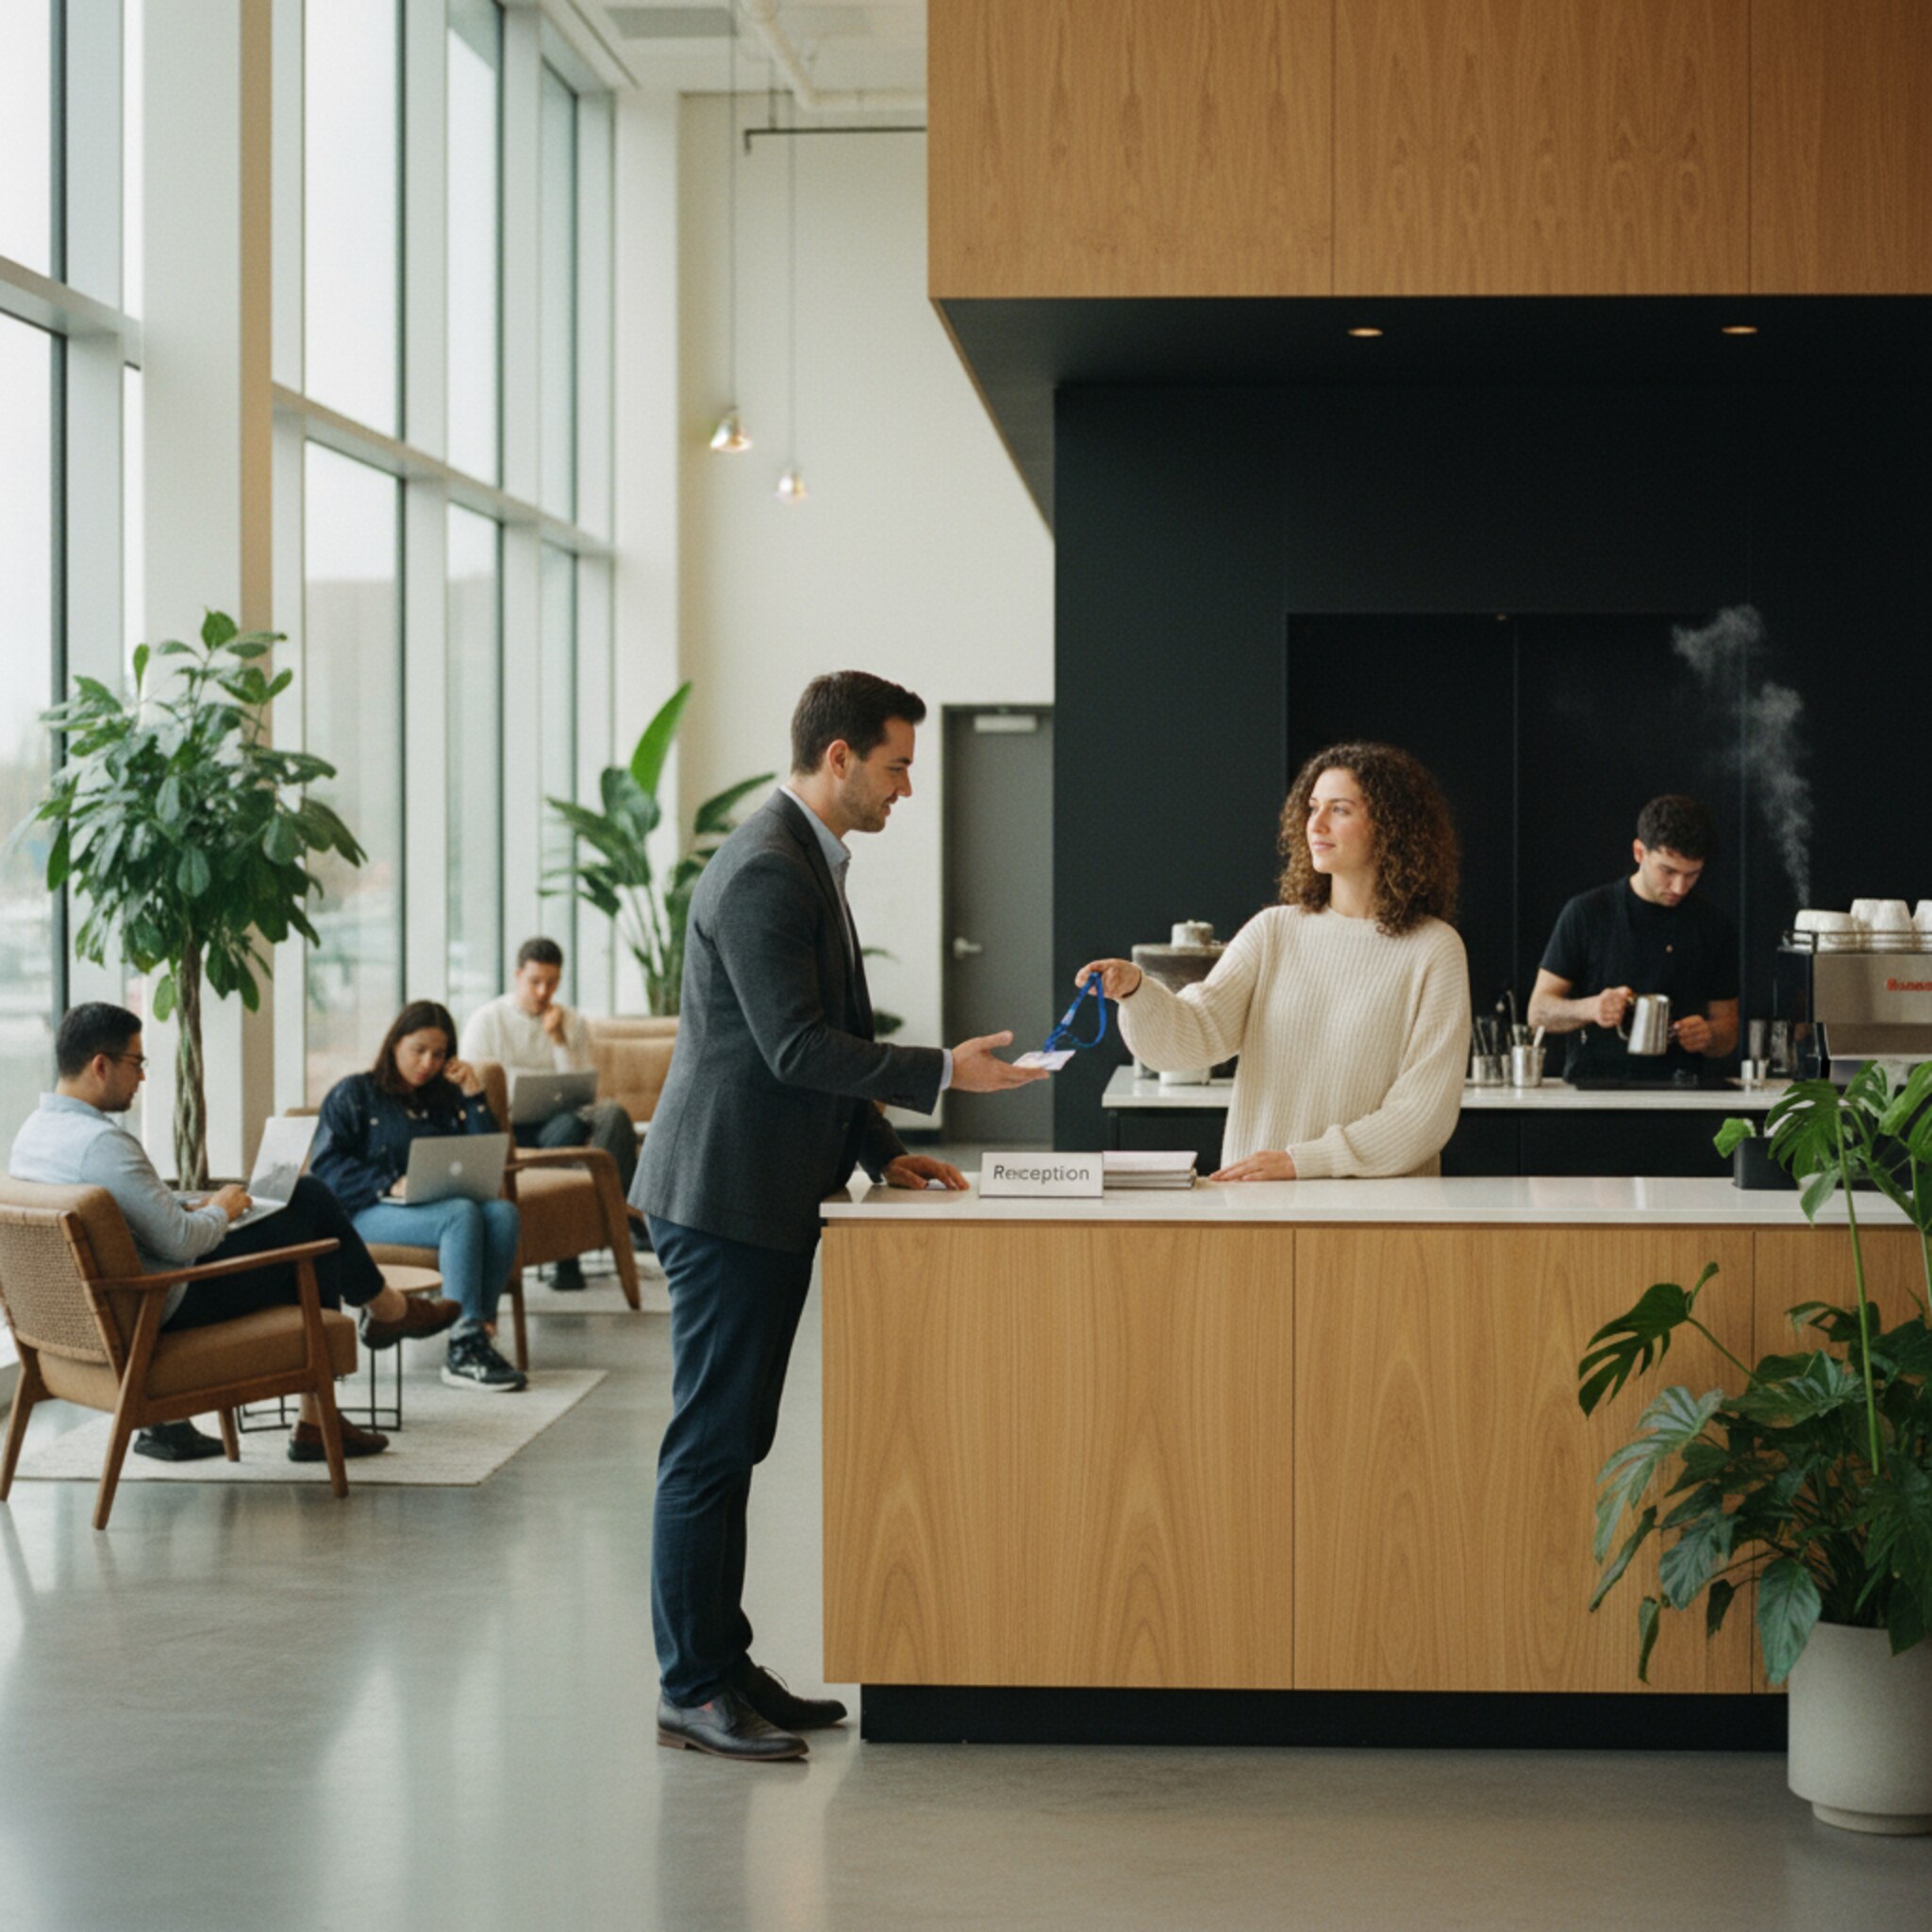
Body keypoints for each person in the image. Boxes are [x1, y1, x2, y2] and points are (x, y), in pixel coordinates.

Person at [634, 670, 1048, 1763]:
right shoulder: (768, 869)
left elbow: (818, 1031)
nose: (907, 786)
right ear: (837, 758)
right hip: (723, 1195)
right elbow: (791, 1049)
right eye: (897, 763)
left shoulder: (802, 856)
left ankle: (721, 1661)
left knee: (735, 1438)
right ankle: (690, 1683)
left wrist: (881, 1146)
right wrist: (939, 1072)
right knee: (711, 1444)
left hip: (756, 1190)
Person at [8, 1003, 458, 1463]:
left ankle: (341, 1383)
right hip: (161, 1304)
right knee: (313, 1217)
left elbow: (120, 1214)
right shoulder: (104, 1144)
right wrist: (221, 1211)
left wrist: (187, 1203)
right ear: (99, 1065)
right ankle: (353, 1364)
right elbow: (183, 1243)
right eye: (137, 1063)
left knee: (303, 1206)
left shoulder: (34, 1135)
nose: (142, 1077)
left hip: (95, 1313)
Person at [1079, 742, 1470, 1180]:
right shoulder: (1274, 931)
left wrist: (1302, 1161)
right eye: (1313, 807)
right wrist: (1137, 990)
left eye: (1339, 810)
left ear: (1392, 826)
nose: (1316, 824)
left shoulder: (1434, 949)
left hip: (1374, 1216)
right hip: (1261, 1204)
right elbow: (1193, 1038)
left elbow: (1423, 1116)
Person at [310, 1001, 527, 1393]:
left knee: (502, 1214)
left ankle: (476, 1333)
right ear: (395, 1043)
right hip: (364, 1210)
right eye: (418, 1050)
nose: (427, 1062)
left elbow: (485, 1156)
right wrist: (388, 1183)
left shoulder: (443, 1099)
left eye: (439, 1053)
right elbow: (326, 1168)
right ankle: (463, 1348)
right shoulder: (355, 1093)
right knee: (461, 1215)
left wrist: (474, 1095)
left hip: (431, 1206)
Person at [459, 935, 647, 1291]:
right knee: (565, 1157)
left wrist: (558, 1038)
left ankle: (617, 1208)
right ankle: (611, 1217)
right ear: (517, 976)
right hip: (506, 1126)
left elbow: (582, 1084)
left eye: (552, 982)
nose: (544, 991)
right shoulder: (488, 1020)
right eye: (535, 982)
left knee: (612, 1114)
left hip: (556, 1125)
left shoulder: (569, 1020)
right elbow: (476, 1086)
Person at [1528, 793, 1740, 1084]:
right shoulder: (1588, 913)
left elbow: (1728, 1031)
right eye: (1668, 871)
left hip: (1684, 1095)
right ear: (1639, 852)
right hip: (1595, 1091)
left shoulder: (1714, 925)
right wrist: (1591, 1008)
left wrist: (1709, 1035)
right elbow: (1538, 1011)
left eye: (1692, 875)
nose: (1679, 887)